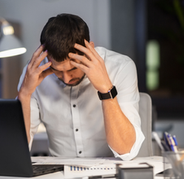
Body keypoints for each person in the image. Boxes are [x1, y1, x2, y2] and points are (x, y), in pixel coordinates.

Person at [17, 13, 144, 161]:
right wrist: (25, 94)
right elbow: (18, 150)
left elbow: (126, 150)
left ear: (89, 49)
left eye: (72, 69)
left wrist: (106, 89)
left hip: (109, 171)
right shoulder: (33, 74)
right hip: (59, 173)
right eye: (57, 70)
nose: (66, 78)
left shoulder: (120, 67)